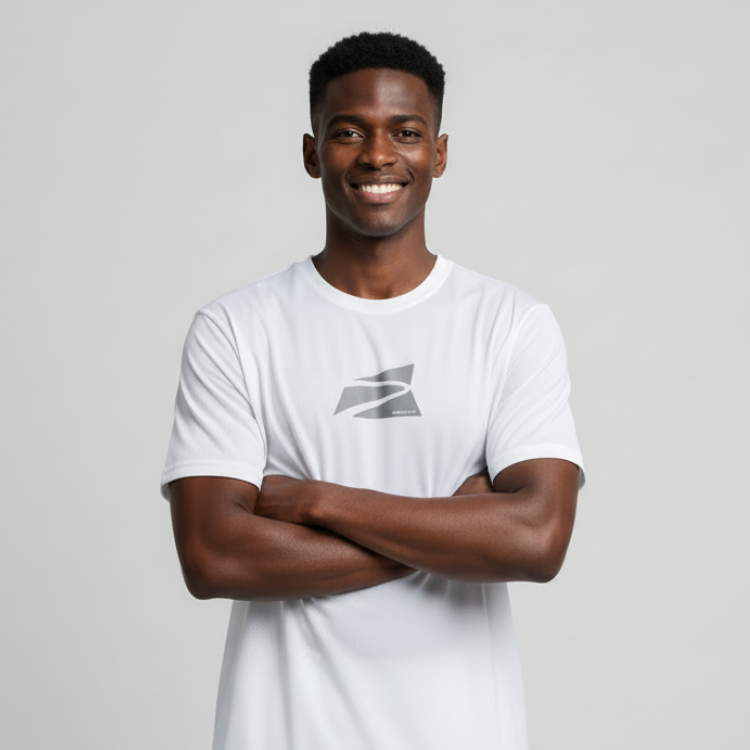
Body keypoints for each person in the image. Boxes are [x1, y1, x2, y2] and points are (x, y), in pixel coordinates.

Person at [161, 31, 584, 750]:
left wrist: (316, 502)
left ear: (439, 154)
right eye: (349, 131)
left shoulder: (511, 324)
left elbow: (537, 540)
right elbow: (213, 556)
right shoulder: (235, 328)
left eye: (406, 132)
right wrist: (455, 529)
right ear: (311, 152)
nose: (378, 155)